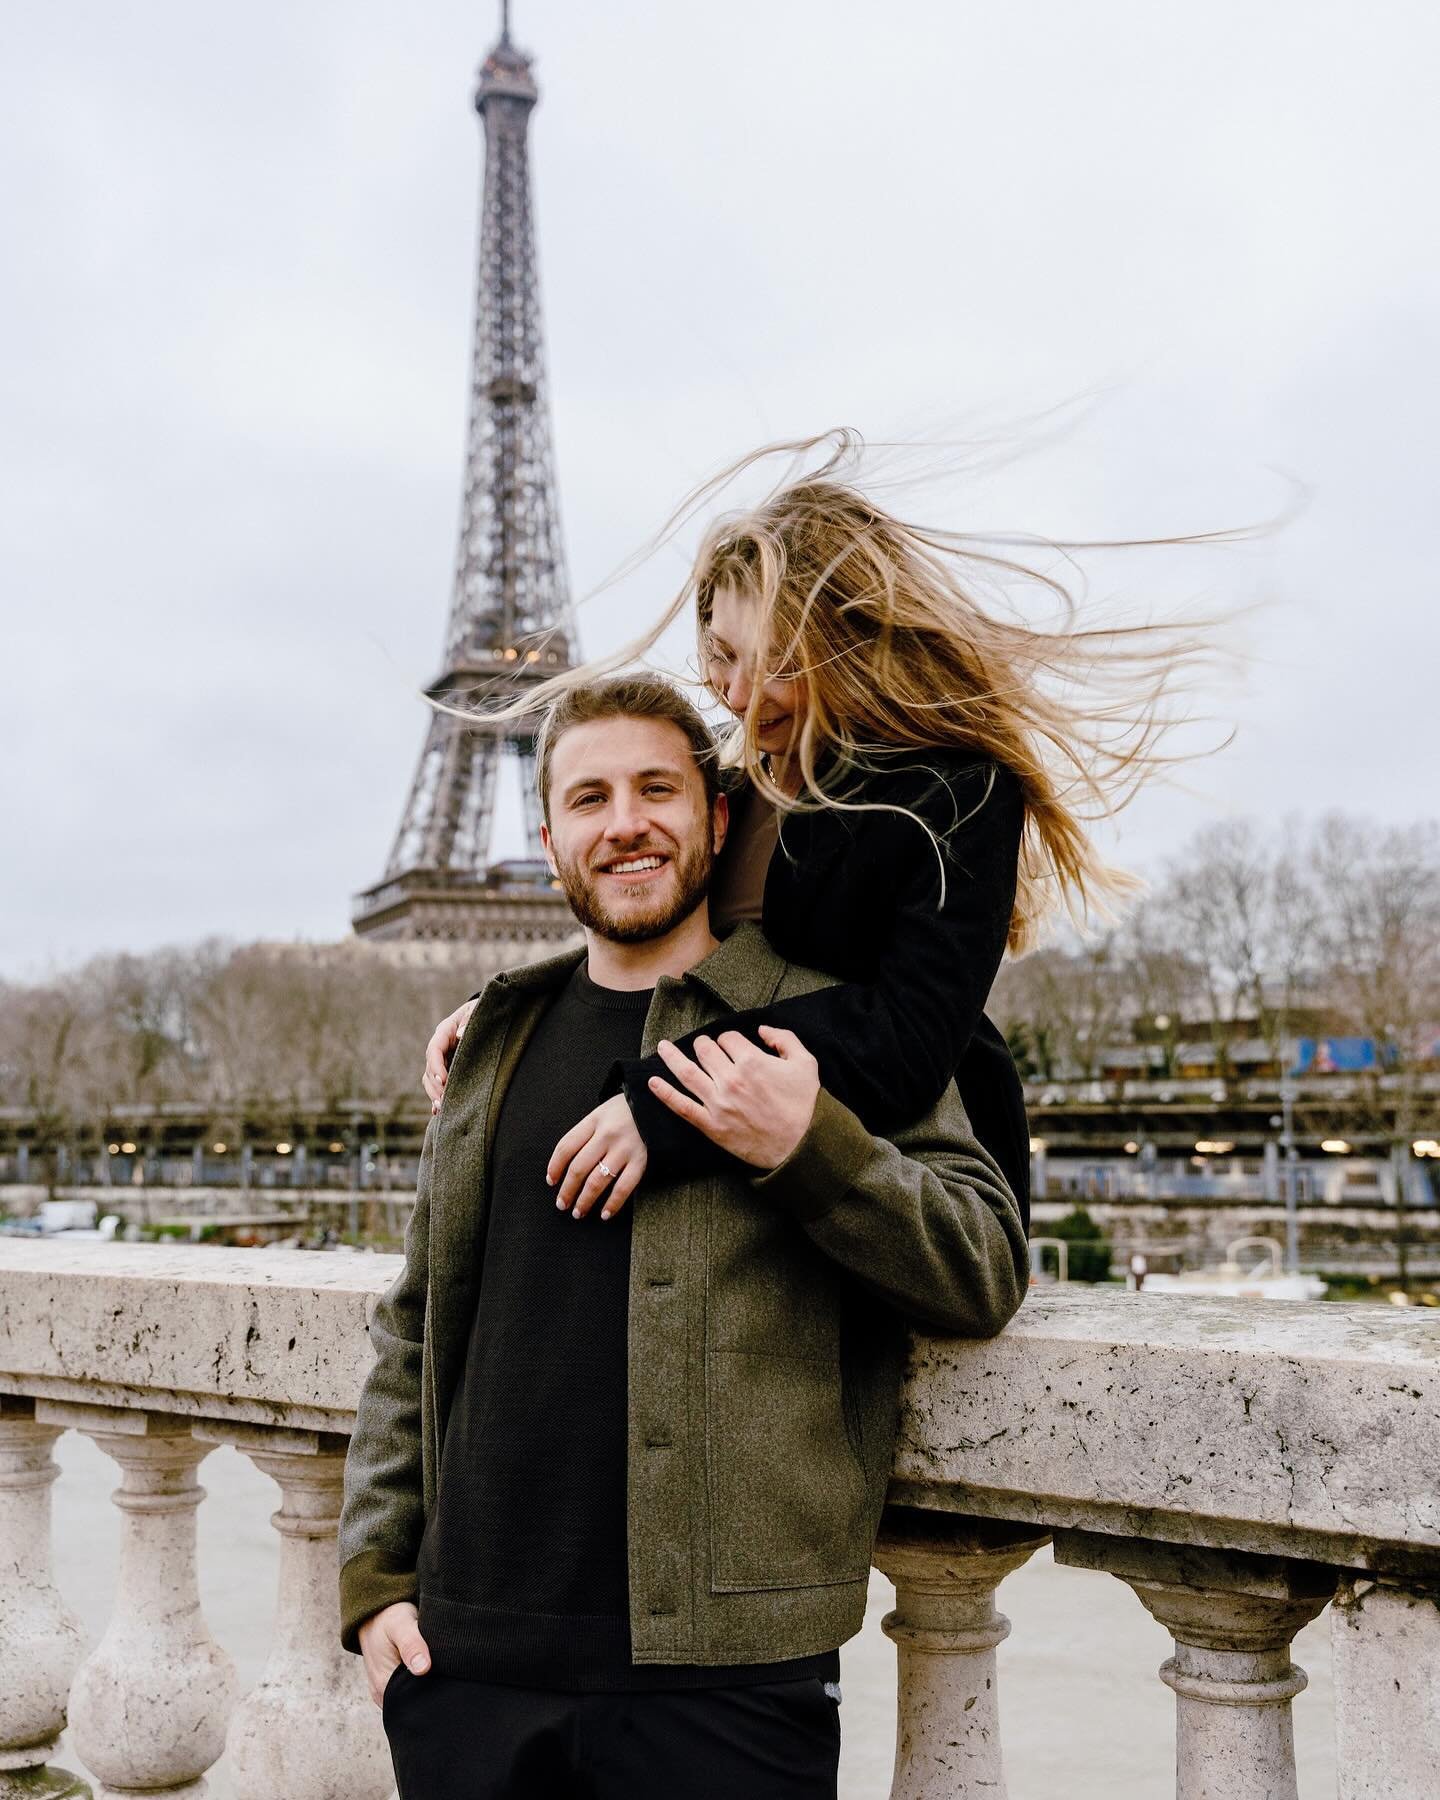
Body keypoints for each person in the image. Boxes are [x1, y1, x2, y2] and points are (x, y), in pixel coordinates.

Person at [339, 674, 1028, 1800]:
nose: (625, 824)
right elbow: (416, 1330)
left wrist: (807, 1143)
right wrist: (375, 1582)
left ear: (716, 818)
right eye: (590, 798)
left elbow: (979, 1265)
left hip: (730, 1685)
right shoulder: (495, 1042)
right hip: (469, 1670)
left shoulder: (832, 1026)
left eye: (657, 788)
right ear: (551, 835)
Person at [423, 430, 1223, 1231]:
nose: (737, 693)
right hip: (733, 1144)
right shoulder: (745, 786)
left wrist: (659, 1101)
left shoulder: (960, 795)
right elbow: (642, 924)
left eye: (774, 662)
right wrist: (508, 1011)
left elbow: (904, 1041)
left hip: (901, 1167)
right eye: (722, 657)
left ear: (843, 643)